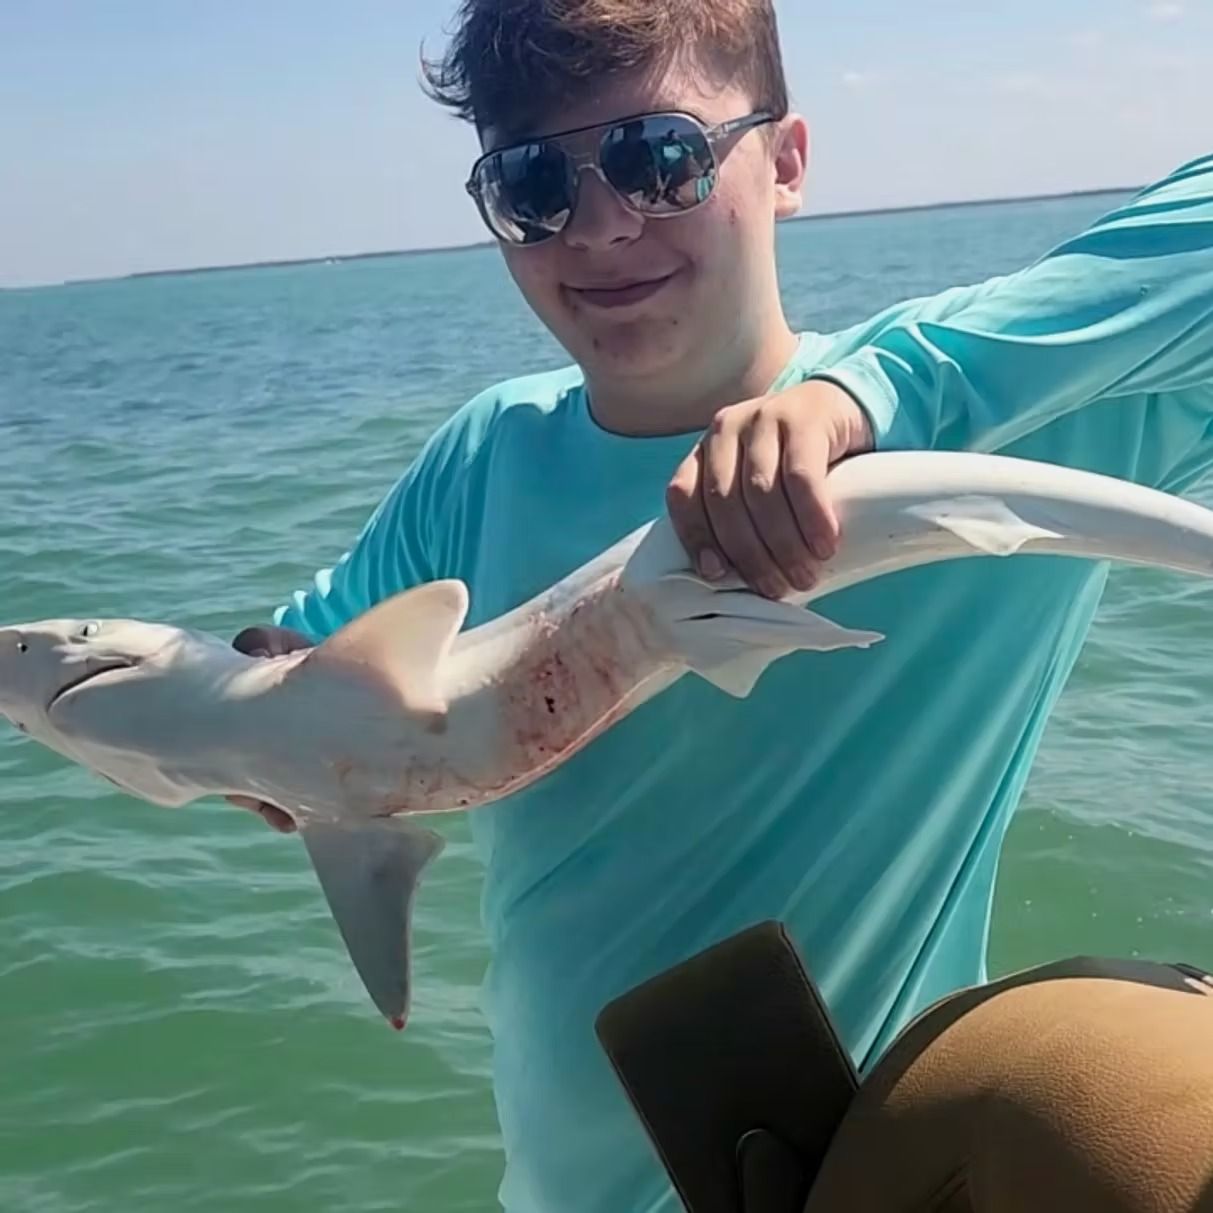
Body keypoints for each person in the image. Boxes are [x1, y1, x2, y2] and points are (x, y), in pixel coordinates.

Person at [228, 2, 1213, 1210]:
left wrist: (870, 391)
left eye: (659, 156)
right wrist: (256, 734)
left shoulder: (996, 438)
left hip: (863, 1174)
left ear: (786, 161)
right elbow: (309, 679)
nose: (599, 225)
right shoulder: (484, 456)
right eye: (533, 183)